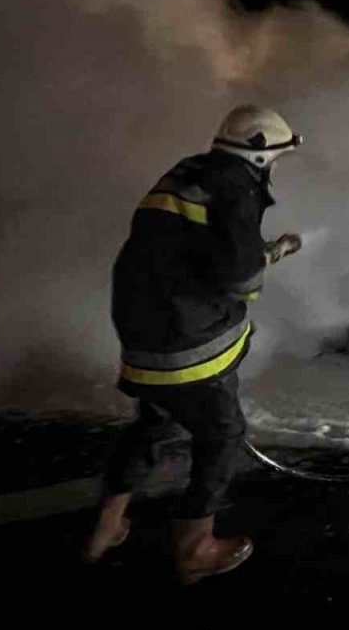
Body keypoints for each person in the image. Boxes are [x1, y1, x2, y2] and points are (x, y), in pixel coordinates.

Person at [84, 105, 304, 583]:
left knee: (156, 419)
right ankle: (196, 547)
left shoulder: (190, 170)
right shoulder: (237, 186)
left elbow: (189, 250)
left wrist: (267, 250)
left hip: (140, 322)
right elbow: (240, 278)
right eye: (278, 157)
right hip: (184, 336)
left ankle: (107, 522)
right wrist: (267, 259)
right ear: (261, 155)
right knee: (222, 434)